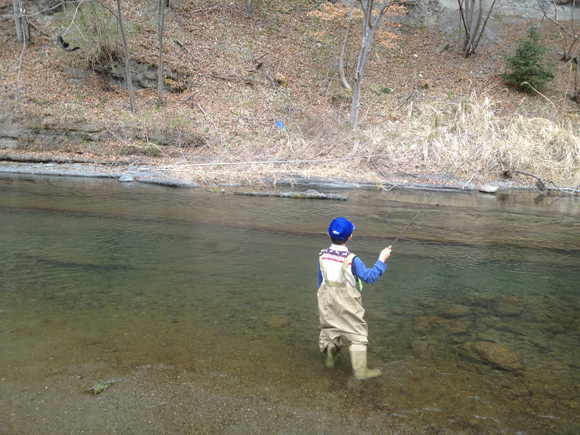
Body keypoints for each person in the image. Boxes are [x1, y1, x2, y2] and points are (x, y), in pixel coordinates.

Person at [317, 217, 392, 380]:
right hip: (346, 299)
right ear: (350, 236)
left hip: (325, 296)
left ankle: (330, 360)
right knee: (358, 332)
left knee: (329, 328)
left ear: (328, 234)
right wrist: (382, 259)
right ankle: (360, 372)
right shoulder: (352, 260)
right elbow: (370, 277)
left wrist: (323, 298)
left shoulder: (322, 255)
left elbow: (320, 279)